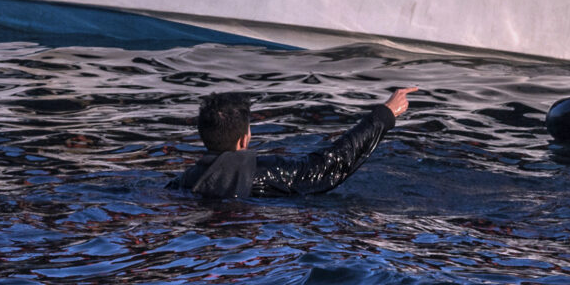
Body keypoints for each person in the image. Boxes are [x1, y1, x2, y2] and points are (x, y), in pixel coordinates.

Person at [170, 88, 414, 202]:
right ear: (245, 138)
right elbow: (328, 166)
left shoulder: (186, 181)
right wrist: (385, 115)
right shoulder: (260, 172)